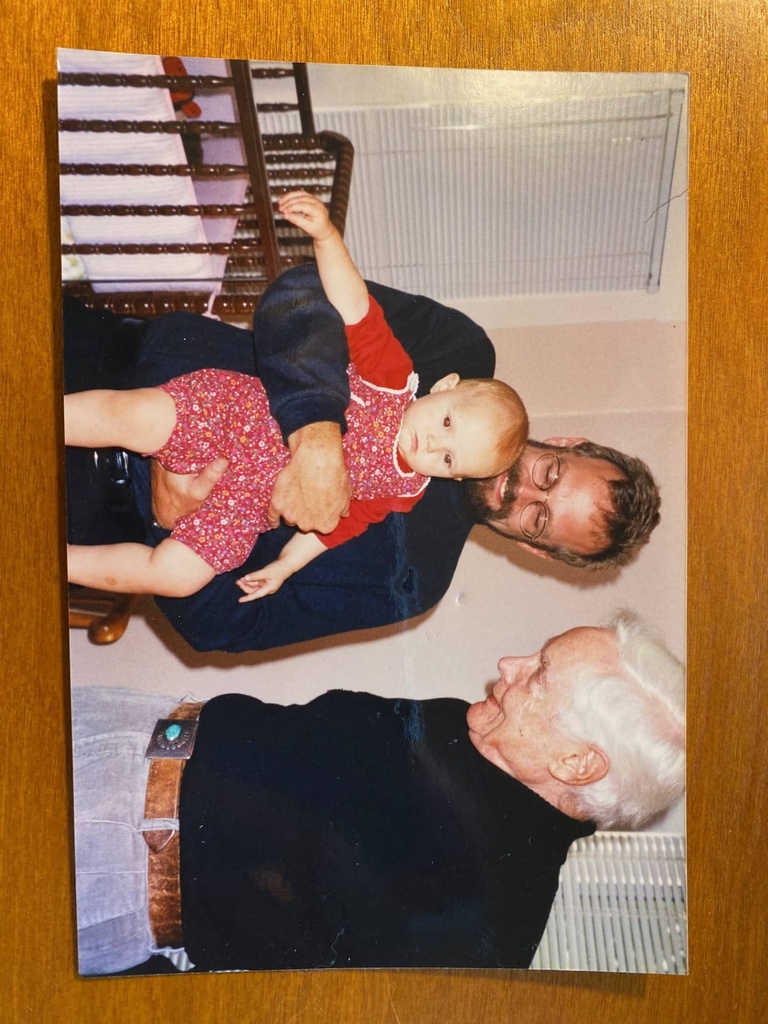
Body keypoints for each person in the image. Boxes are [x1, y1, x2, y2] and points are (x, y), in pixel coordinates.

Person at [63, 265, 660, 652]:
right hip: (115, 372)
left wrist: (169, 518)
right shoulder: (462, 352)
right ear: (564, 443)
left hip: (101, 518)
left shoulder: (414, 579)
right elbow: (304, 291)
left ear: (534, 548)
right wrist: (317, 433)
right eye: (549, 476)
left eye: (538, 517)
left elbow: (225, 627)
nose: (519, 490)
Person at [71, 613, 685, 975]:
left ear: (576, 763)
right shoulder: (475, 730)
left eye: (540, 674)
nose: (508, 664)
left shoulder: (496, 926)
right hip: (132, 724)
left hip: (107, 855)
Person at [65, 192, 527, 602]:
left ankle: (58, 562)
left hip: (243, 504)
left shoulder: (403, 491)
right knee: (131, 416)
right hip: (235, 415)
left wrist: (284, 566)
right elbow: (354, 306)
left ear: (453, 476)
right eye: (446, 424)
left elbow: (334, 527)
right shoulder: (393, 379)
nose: (432, 445)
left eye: (448, 459)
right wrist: (327, 238)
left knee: (177, 577)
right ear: (443, 387)